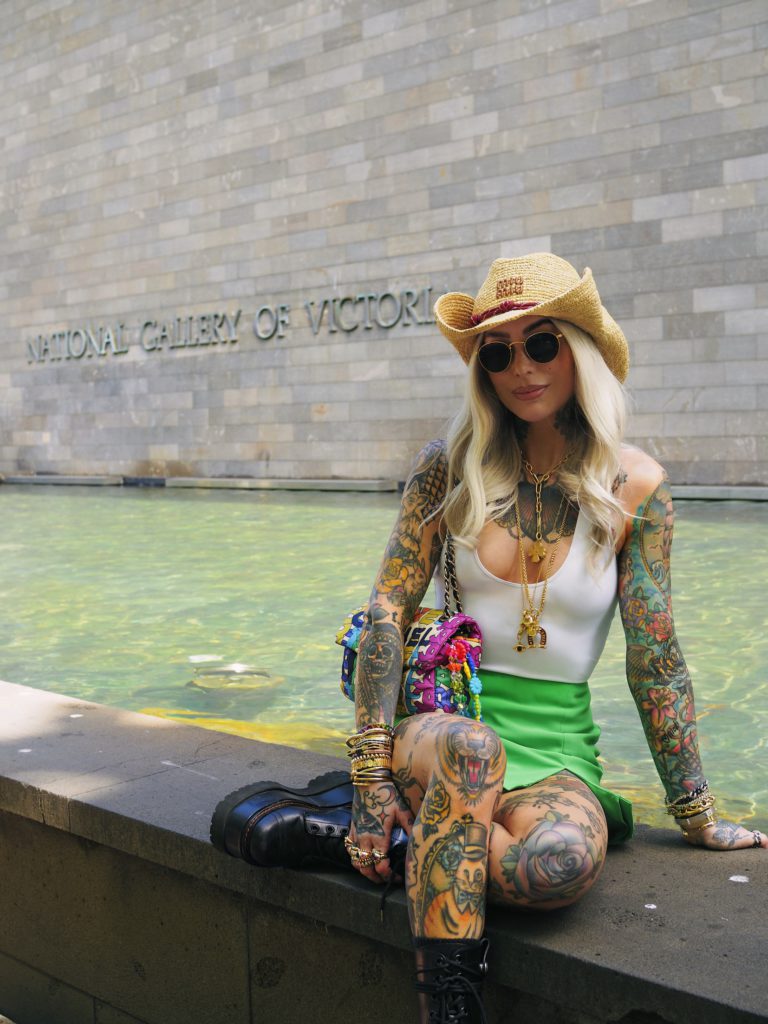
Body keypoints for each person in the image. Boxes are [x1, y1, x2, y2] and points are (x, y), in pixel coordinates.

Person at [211, 253, 766, 1024]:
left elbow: (655, 657)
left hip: (558, 751)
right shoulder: (449, 469)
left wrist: (696, 811)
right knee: (474, 754)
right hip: (445, 730)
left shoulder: (636, 488)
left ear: (579, 349)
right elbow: (387, 610)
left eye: (540, 343)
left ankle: (381, 841)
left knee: (557, 866)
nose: (521, 368)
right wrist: (372, 776)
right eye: (497, 353)